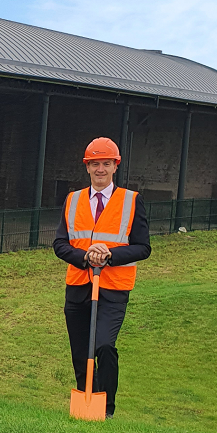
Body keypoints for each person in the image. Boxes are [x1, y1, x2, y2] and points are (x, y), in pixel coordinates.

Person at [53, 137, 151, 418]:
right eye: (94, 164)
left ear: (115, 166)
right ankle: (87, 407)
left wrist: (108, 255)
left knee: (104, 346)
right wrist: (86, 257)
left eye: (106, 164)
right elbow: (61, 244)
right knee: (80, 352)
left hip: (113, 288)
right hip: (78, 286)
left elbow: (143, 247)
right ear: (87, 167)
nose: (100, 169)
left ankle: (106, 410)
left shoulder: (132, 201)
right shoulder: (72, 200)